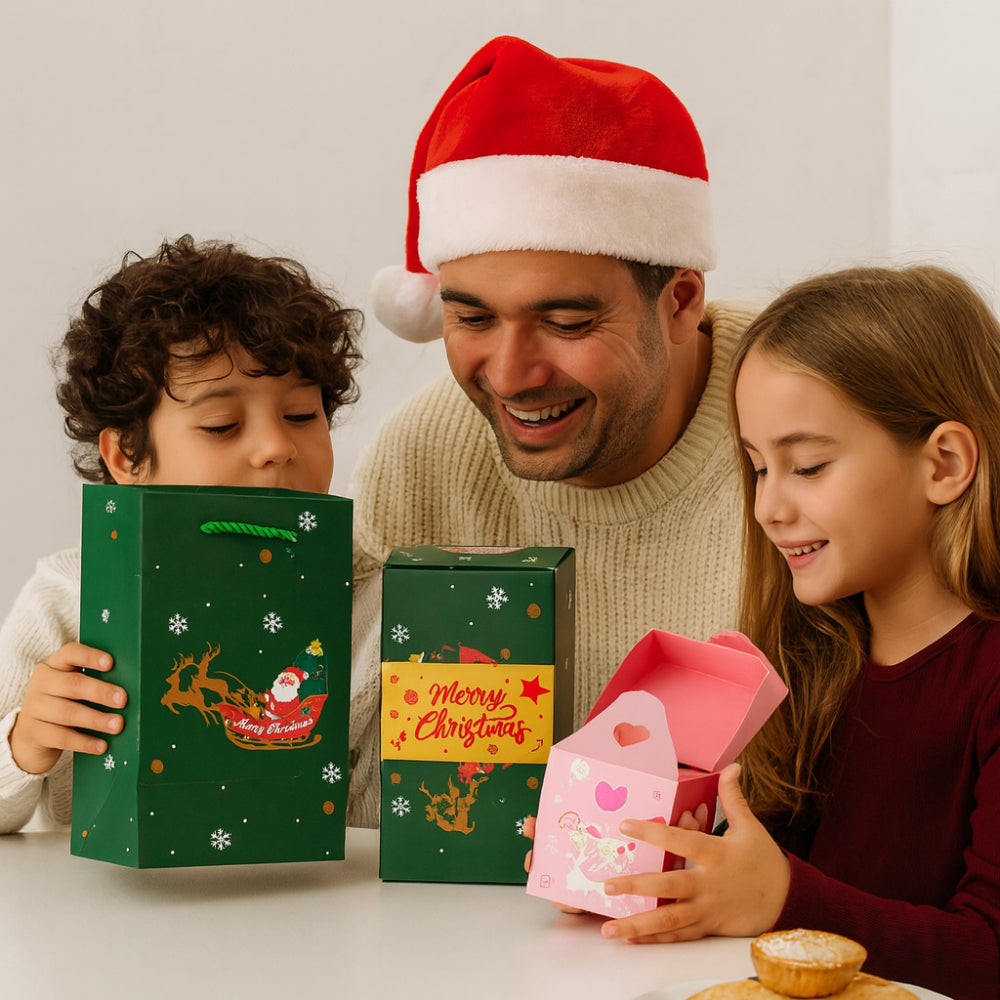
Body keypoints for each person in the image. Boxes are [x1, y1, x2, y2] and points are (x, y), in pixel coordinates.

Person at [348, 35, 761, 827]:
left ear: (679, 302)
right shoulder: (422, 459)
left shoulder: (804, 425)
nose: (509, 374)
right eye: (471, 317)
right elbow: (333, 766)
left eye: (566, 320)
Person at [596, 265, 1000, 999]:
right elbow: (758, 872)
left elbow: (988, 954)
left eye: (807, 466)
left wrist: (781, 897)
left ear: (944, 463)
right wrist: (646, 867)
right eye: (756, 467)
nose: (767, 508)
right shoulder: (812, 657)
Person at [0, 235, 361, 834]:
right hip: (112, 917)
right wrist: (23, 743)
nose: (276, 447)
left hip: (313, 914)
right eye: (222, 425)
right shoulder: (68, 599)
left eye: (302, 414)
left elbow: (381, 837)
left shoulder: (370, 599)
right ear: (128, 456)